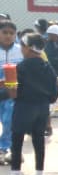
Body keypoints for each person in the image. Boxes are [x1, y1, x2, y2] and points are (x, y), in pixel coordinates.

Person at [3, 33, 57, 175]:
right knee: (38, 139)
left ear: (27, 48)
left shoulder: (21, 67)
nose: (21, 49)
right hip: (42, 108)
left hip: (24, 107)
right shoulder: (48, 67)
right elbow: (54, 93)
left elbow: (13, 92)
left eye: (22, 46)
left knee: (17, 139)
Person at [0, 19, 20, 165]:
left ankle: (5, 148)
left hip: (12, 92)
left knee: (9, 119)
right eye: (4, 32)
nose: (8, 36)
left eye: (11, 33)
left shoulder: (20, 50)